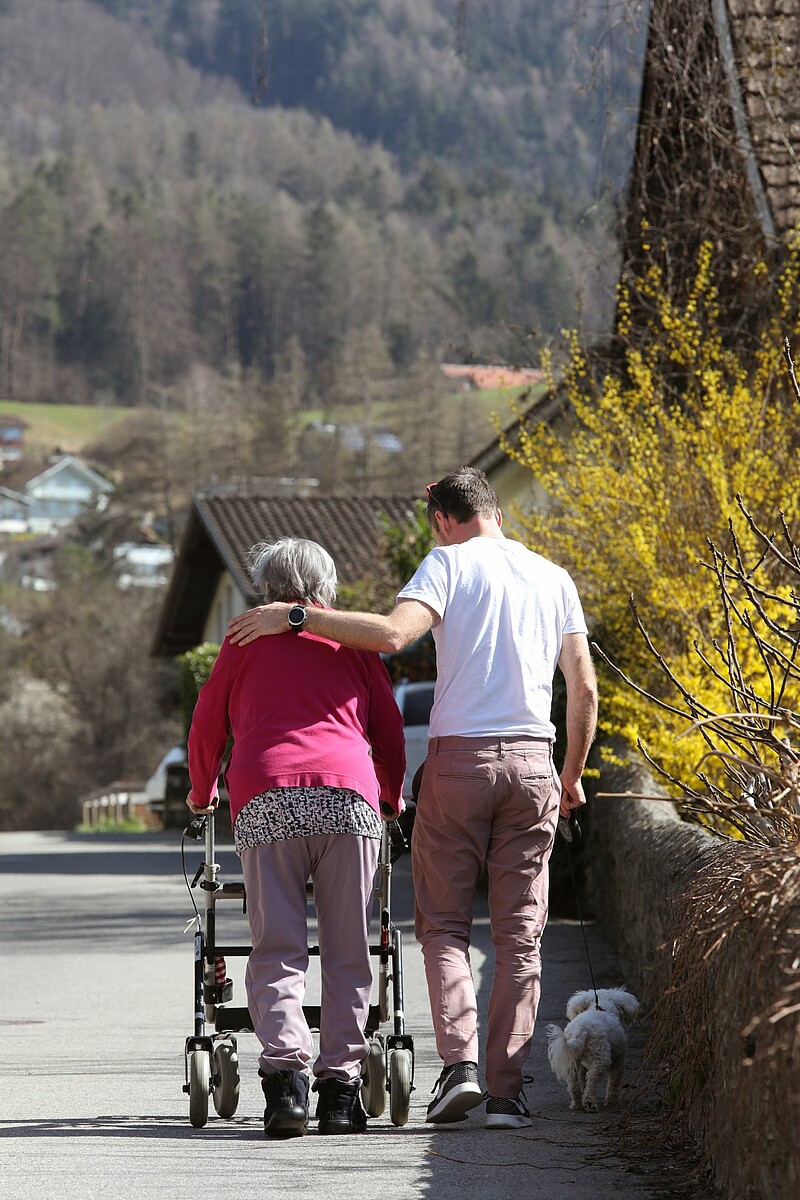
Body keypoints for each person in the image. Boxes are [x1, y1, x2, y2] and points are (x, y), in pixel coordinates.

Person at [227, 468, 598, 1131]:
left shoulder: (447, 564)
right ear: (496, 513)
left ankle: (459, 1071)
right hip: (535, 762)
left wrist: (296, 614)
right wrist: (571, 775)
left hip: (458, 763)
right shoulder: (554, 579)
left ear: (440, 520)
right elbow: (585, 691)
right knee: (519, 938)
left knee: (446, 926)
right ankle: (508, 1096)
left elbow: (394, 636)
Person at [186, 537, 406, 1138]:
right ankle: (341, 1092)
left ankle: (286, 1089)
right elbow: (386, 723)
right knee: (347, 949)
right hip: (347, 800)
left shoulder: (242, 640)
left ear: (266, 586)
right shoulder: (351, 638)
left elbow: (208, 722)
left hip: (265, 797)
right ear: (324, 587)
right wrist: (390, 792)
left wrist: (202, 789)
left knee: (276, 947)